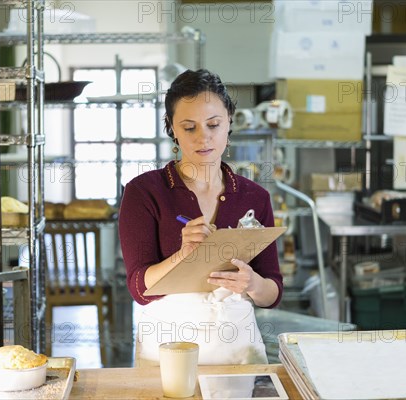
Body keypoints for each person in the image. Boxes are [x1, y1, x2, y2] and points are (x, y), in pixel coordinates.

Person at [118, 69, 283, 366]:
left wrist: (251, 283)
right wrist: (183, 256)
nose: (203, 137)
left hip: (237, 350)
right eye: (189, 127)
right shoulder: (144, 192)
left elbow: (272, 291)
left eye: (213, 124)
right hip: (168, 348)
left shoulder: (255, 197)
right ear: (172, 128)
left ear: (229, 121)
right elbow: (139, 289)